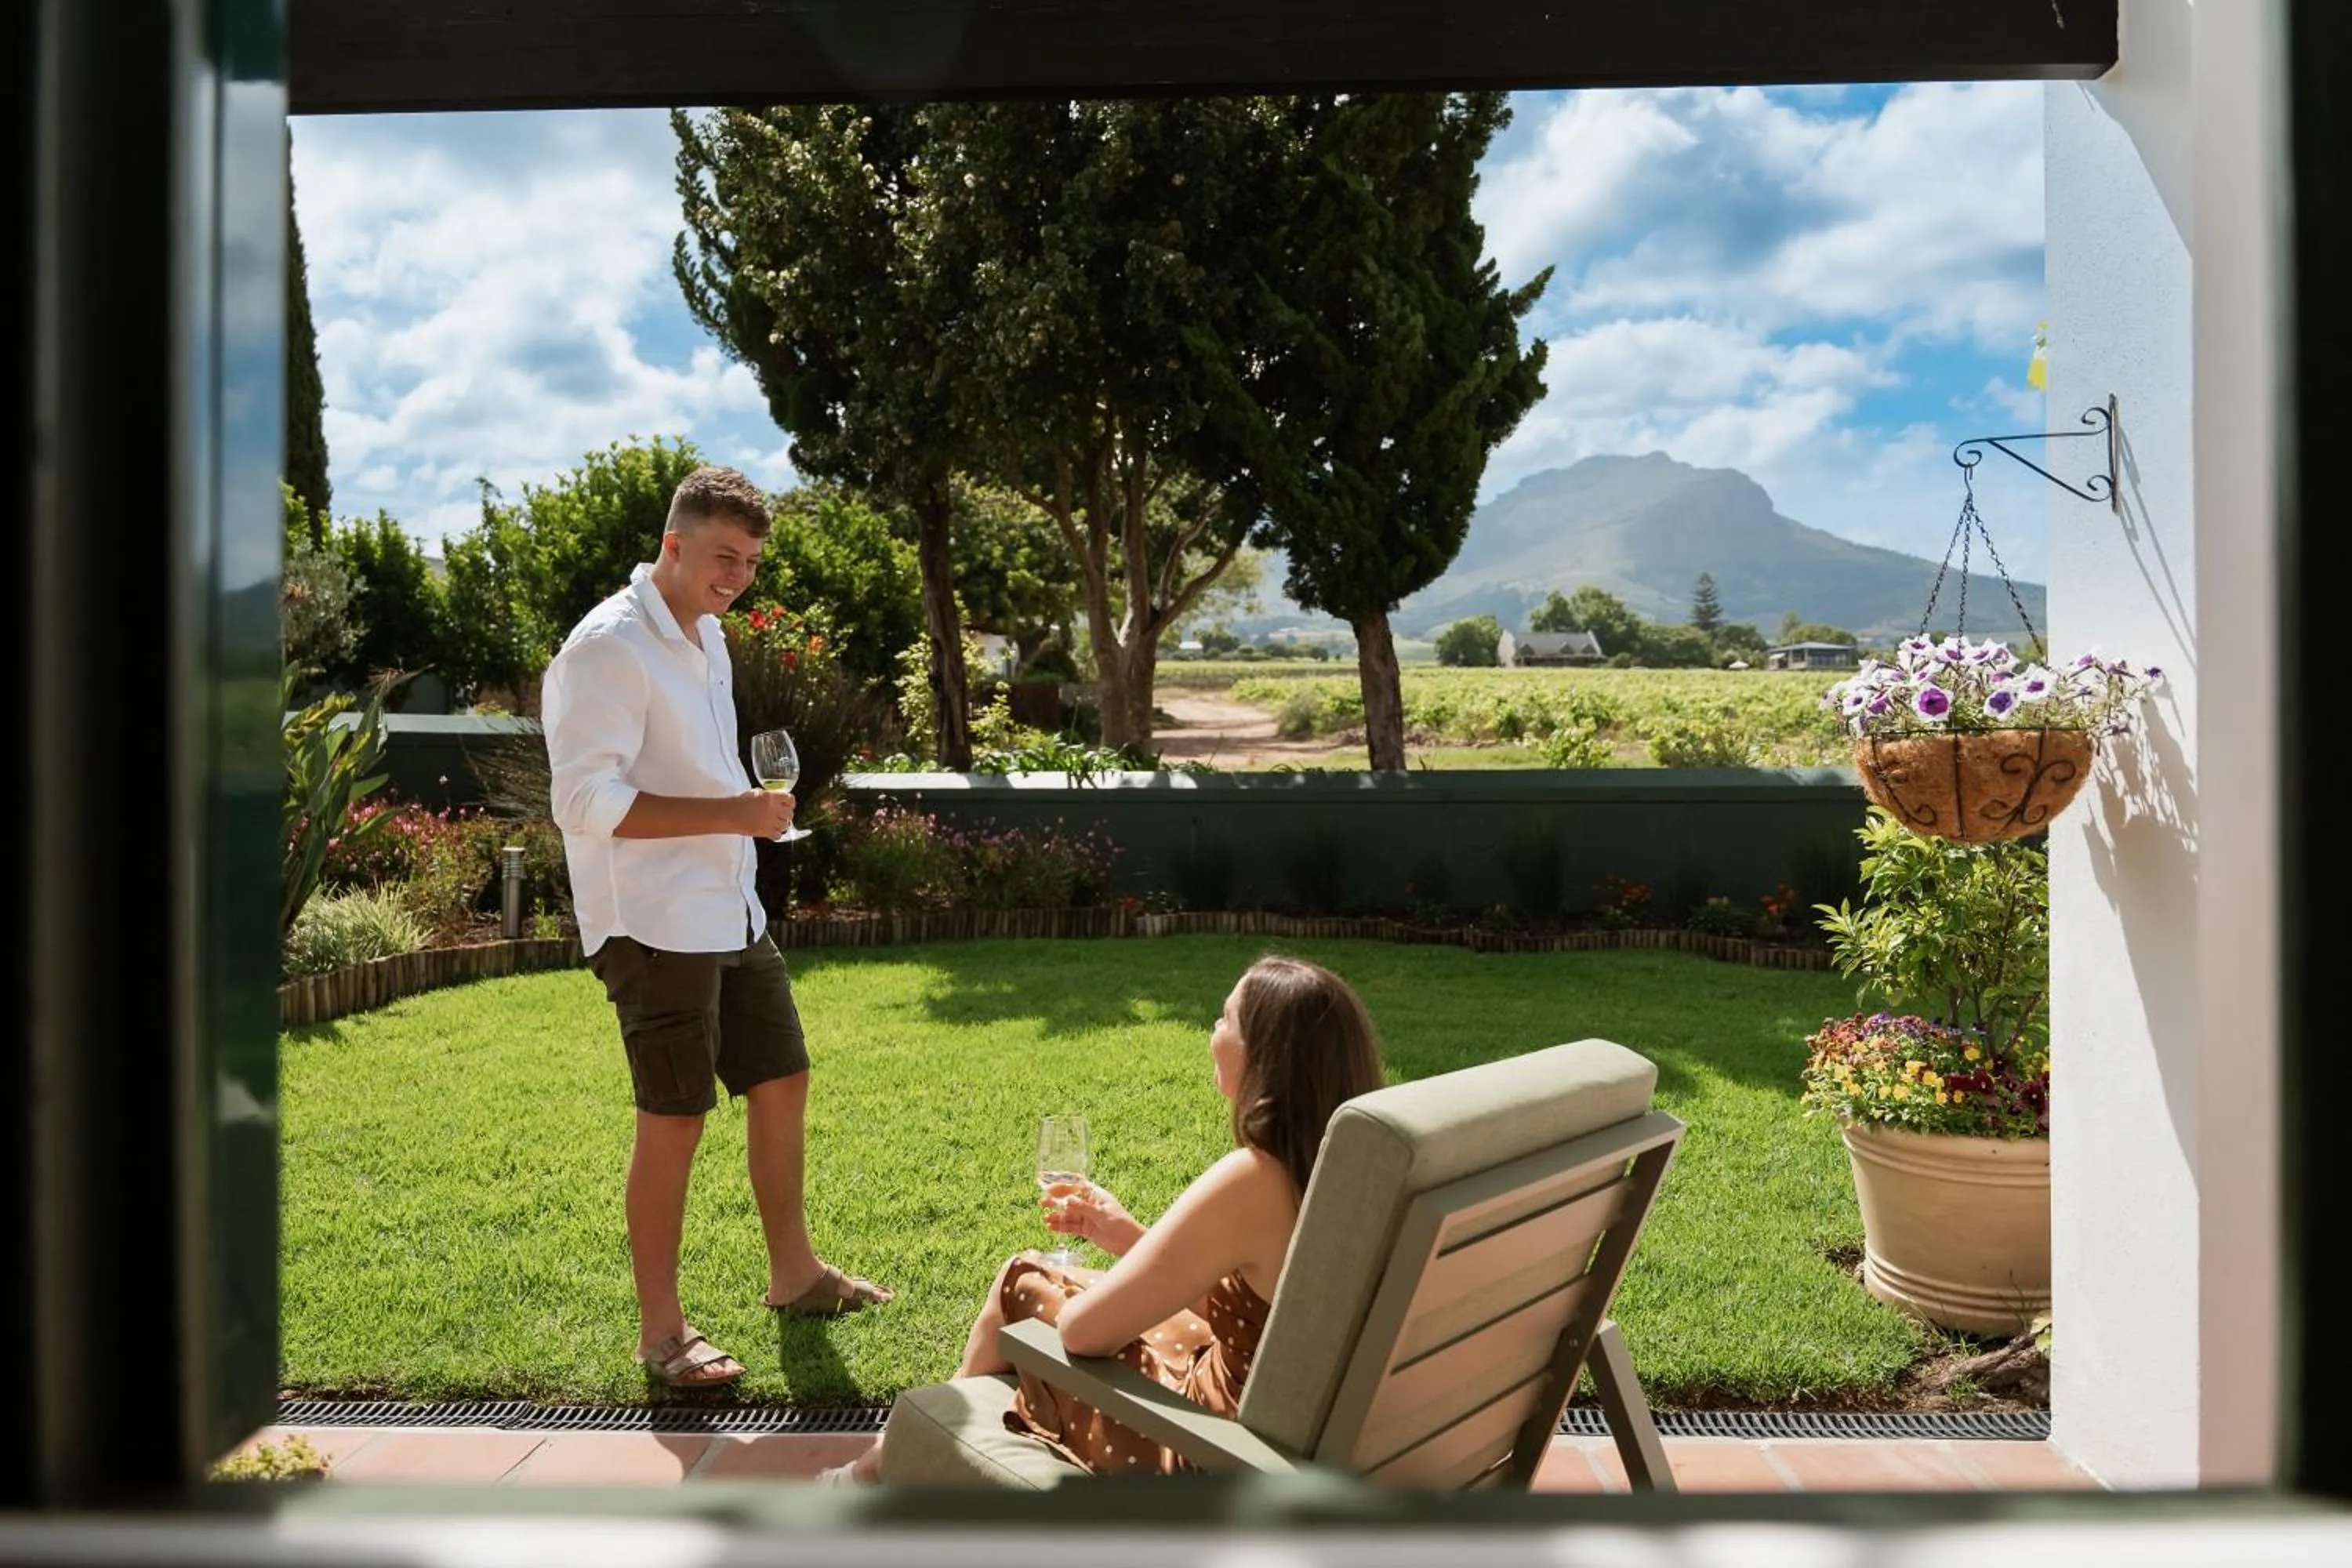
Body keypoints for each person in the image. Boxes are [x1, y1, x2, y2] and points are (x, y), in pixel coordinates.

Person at [543, 464, 891, 1392]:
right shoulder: (608, 647)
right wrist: (738, 814)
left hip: (725, 906)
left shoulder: (708, 637)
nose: (735, 575)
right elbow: (583, 800)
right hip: (652, 924)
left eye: (749, 562)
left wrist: (742, 818)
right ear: (673, 543)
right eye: (721, 556)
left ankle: (796, 1273)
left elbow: (703, 773)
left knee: (782, 1074)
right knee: (676, 1116)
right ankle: (663, 1333)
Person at [822, 953, 1385, 1482]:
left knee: (1023, 1276)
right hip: (1298, 1429)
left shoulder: (1254, 1178)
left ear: (1266, 1057)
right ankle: (893, 1460)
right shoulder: (1354, 1172)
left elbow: (1084, 1332)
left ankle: (898, 1466)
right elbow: (1267, 1315)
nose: (1213, 1032)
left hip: (1215, 1452)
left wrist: (1098, 1281)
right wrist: (1133, 1242)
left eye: (1224, 1019)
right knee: (1059, 1278)